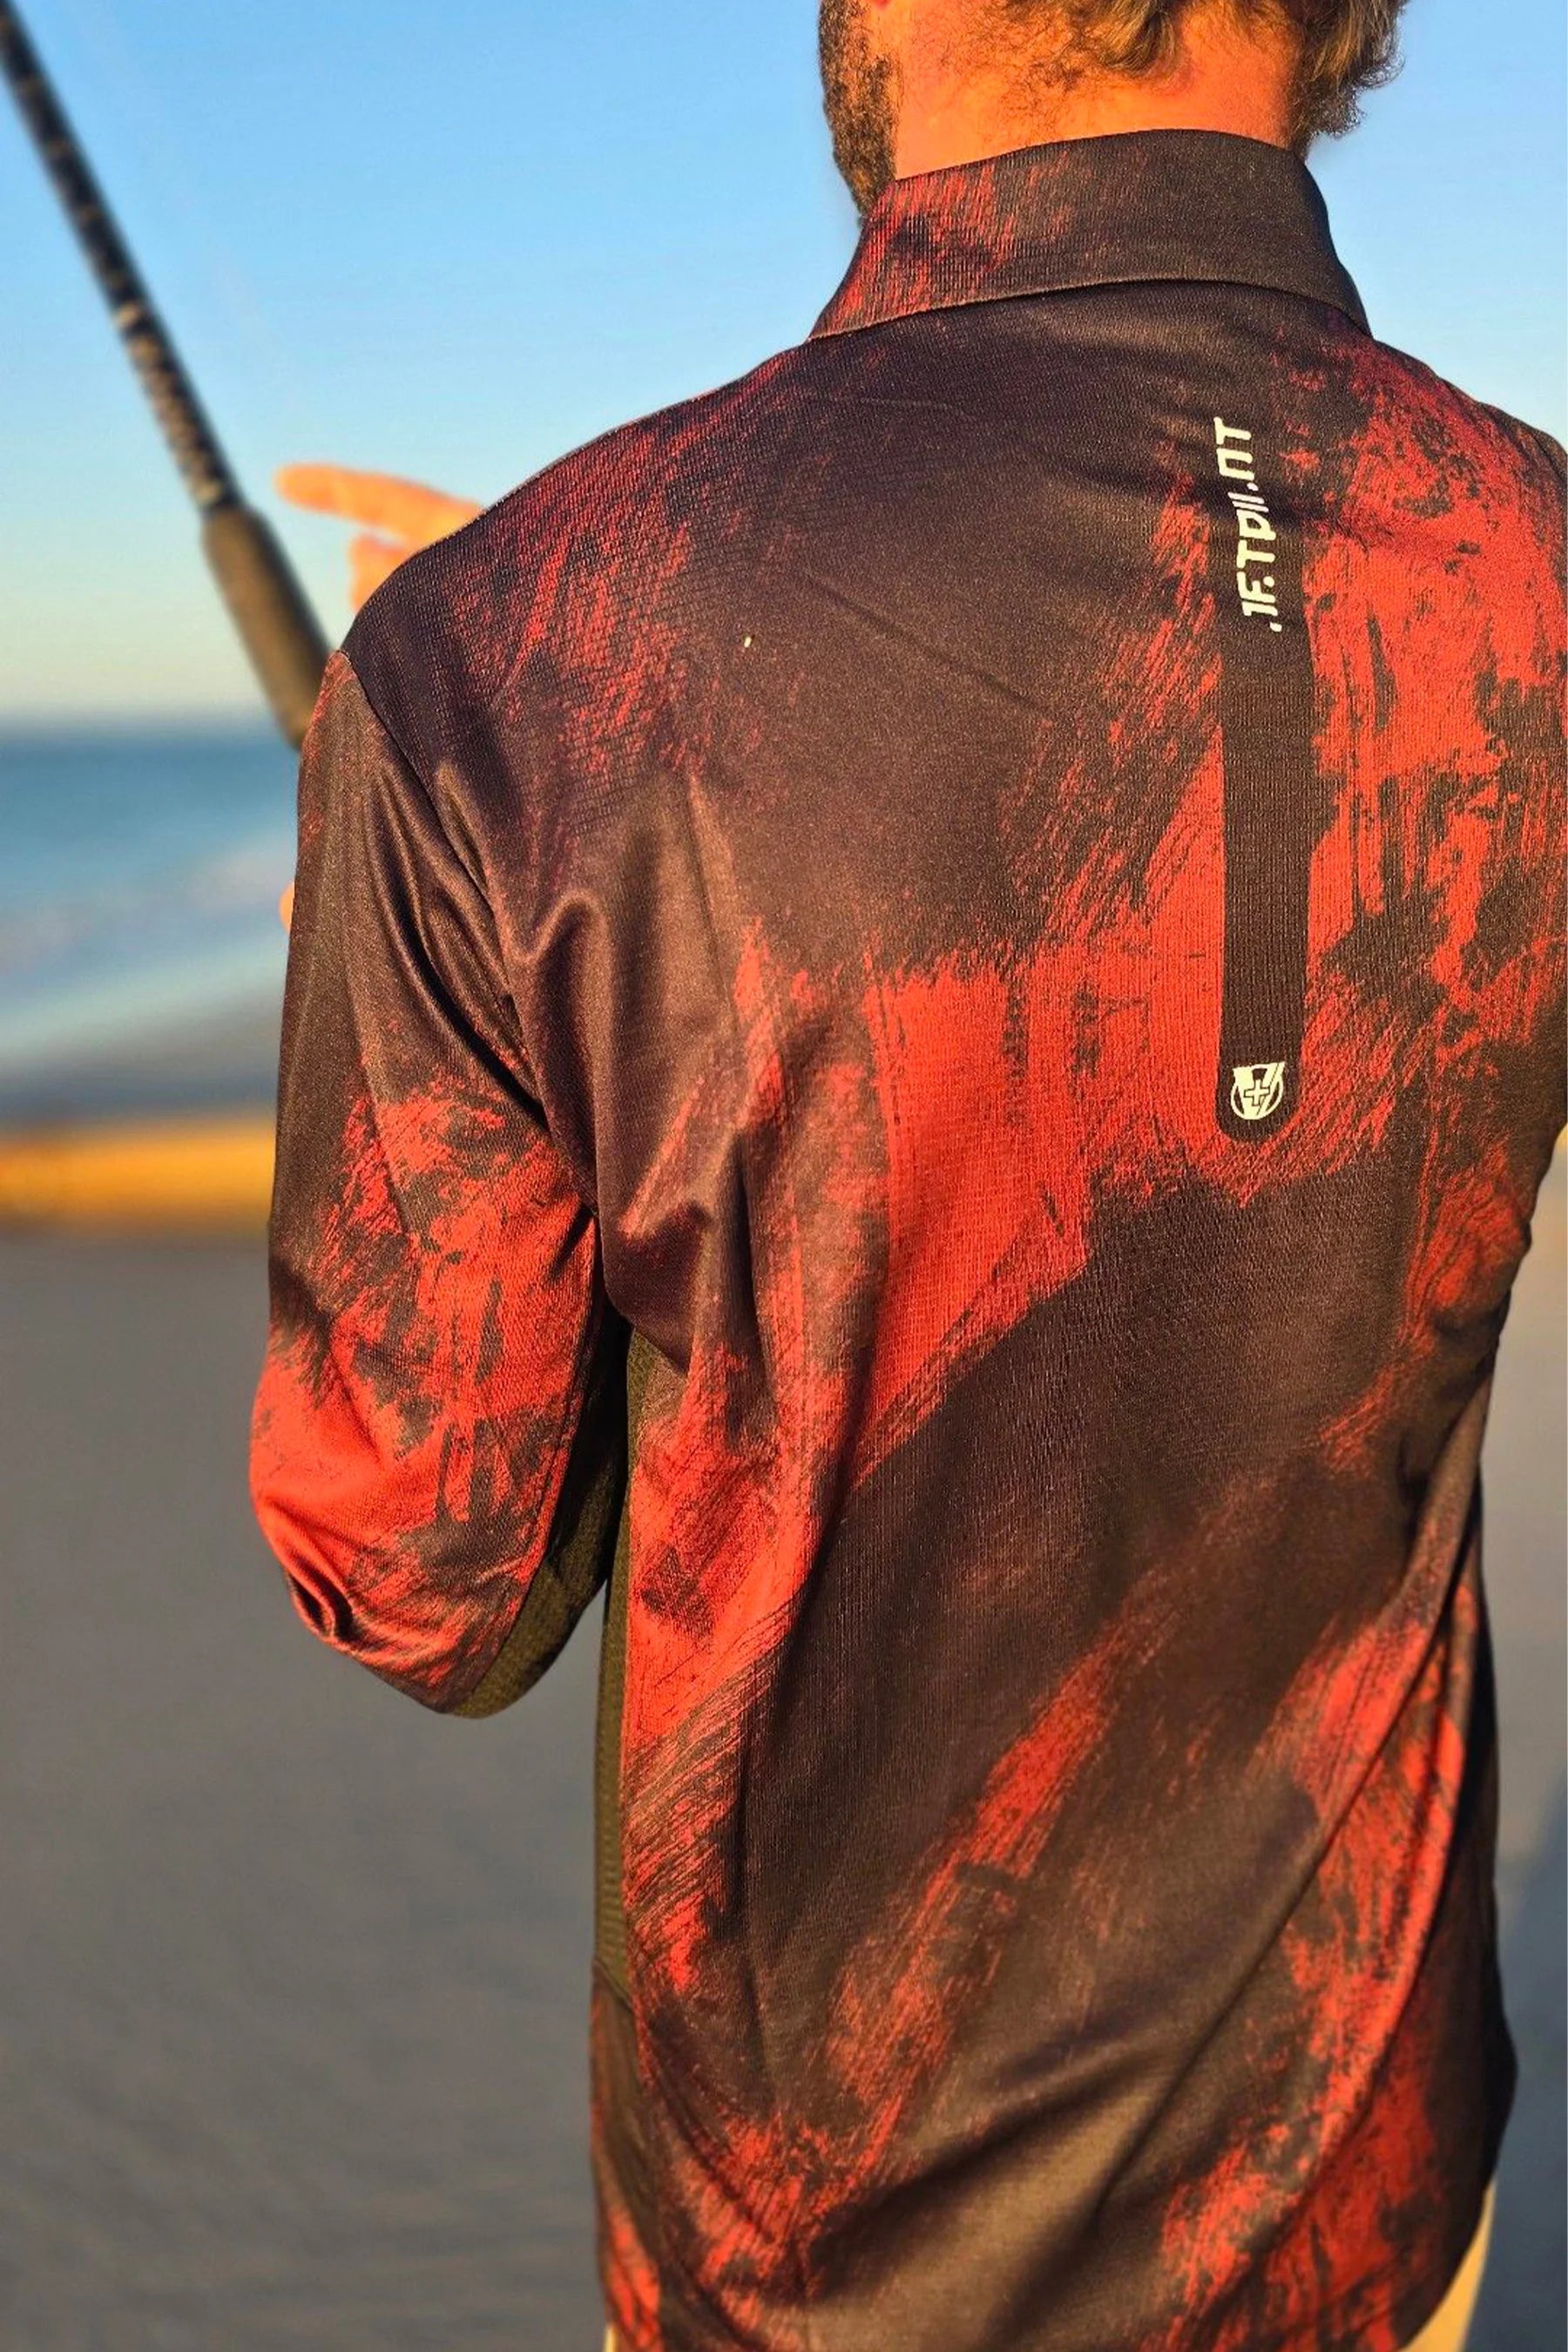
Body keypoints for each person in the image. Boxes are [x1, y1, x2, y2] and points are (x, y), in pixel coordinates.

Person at [248, 3, 1565, 2346]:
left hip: (817, 2268)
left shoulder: (501, 668)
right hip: (1372, 2181)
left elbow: (426, 1576)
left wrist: (477, 863)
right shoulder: (1536, 566)